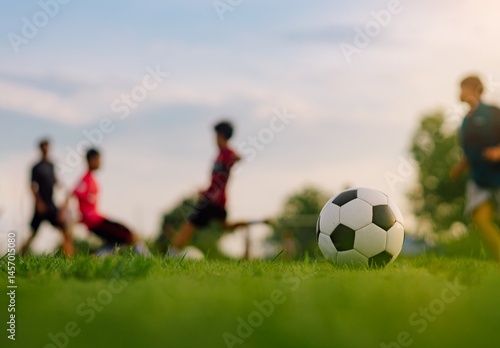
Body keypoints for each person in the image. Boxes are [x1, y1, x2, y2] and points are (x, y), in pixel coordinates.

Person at [169, 121, 265, 253]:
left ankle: (170, 255)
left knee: (188, 225)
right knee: (226, 226)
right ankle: (258, 221)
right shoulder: (219, 155)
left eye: (216, 135)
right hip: (218, 201)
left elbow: (237, 157)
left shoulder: (227, 153)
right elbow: (216, 180)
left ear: (221, 135)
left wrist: (236, 159)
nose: (214, 139)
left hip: (212, 200)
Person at [61, 148, 149, 256]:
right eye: (98, 160)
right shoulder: (85, 180)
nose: (100, 163)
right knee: (130, 234)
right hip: (94, 221)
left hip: (97, 218)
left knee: (117, 241)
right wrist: (65, 213)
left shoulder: (92, 179)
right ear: (91, 160)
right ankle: (148, 259)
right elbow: (70, 195)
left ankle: (97, 257)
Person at [450, 75, 500, 262]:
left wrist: (498, 151)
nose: (459, 93)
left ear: (474, 89)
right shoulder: (465, 121)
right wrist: (460, 166)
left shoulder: (493, 112)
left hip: (497, 176)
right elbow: (471, 152)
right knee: (480, 219)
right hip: (479, 179)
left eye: (462, 88)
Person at [22, 139, 74, 256]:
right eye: (44, 146)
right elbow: (32, 186)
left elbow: (54, 180)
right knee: (32, 233)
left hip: (51, 205)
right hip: (41, 206)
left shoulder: (51, 165)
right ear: (40, 149)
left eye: (47, 146)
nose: (46, 149)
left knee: (64, 228)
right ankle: (18, 255)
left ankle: (68, 257)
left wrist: (61, 186)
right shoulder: (36, 167)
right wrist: (39, 203)